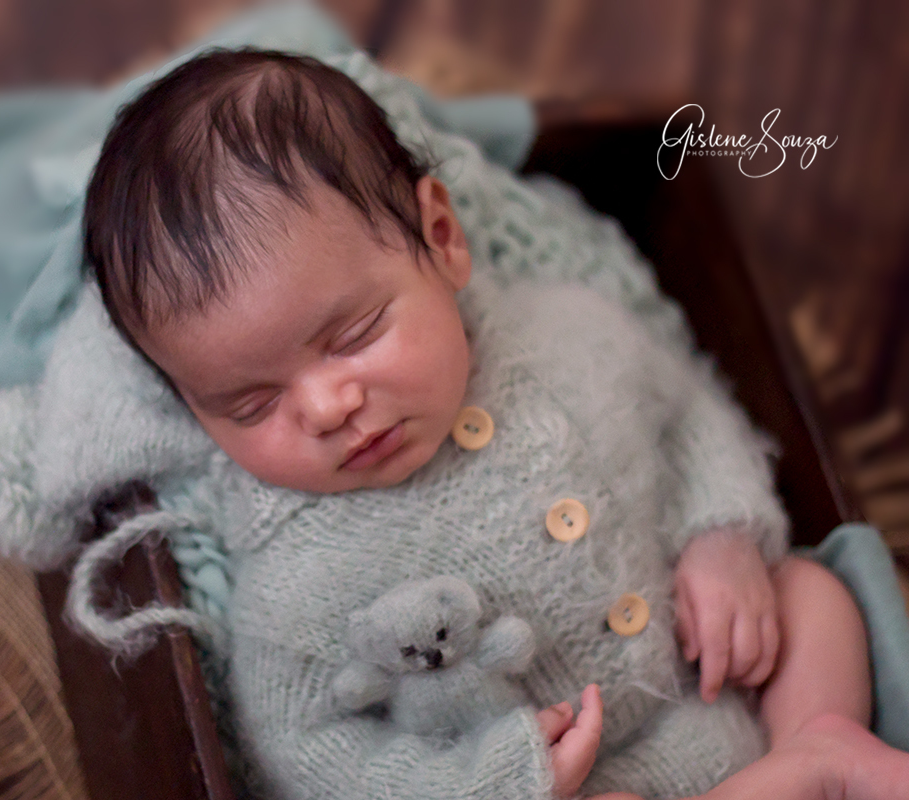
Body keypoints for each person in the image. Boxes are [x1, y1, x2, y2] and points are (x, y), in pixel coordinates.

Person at [74, 48, 908, 799]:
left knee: (814, 592)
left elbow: (686, 415)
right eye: (250, 405)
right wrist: (494, 779)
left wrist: (721, 540)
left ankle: (812, 743)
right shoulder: (294, 583)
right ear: (194, 411)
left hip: (720, 688)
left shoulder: (570, 334)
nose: (327, 407)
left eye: (355, 335)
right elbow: (310, 758)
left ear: (440, 240)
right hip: (598, 786)